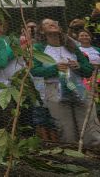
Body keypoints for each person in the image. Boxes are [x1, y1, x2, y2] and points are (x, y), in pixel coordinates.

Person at [32, 19, 100, 147]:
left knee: (89, 124)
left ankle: (94, 150)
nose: (52, 24)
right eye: (47, 23)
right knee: (65, 127)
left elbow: (88, 70)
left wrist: (78, 66)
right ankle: (71, 152)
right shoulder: (38, 48)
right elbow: (34, 70)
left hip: (78, 87)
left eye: (54, 22)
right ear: (41, 31)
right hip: (55, 89)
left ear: (60, 28)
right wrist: (55, 68)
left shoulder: (72, 46)